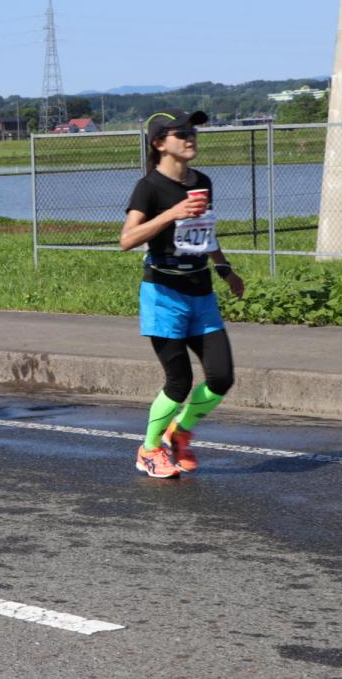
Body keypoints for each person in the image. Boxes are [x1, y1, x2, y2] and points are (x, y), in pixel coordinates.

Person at [120, 110, 245, 478]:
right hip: (163, 294)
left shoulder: (202, 181)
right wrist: (171, 213)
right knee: (179, 382)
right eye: (180, 133)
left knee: (221, 376)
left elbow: (203, 232)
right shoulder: (149, 187)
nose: (190, 138)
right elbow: (127, 239)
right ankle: (149, 449)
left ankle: (182, 431)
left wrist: (224, 268)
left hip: (201, 292)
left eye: (192, 132)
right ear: (160, 144)